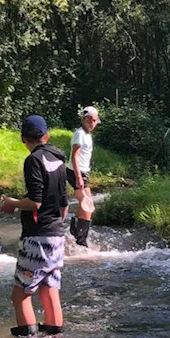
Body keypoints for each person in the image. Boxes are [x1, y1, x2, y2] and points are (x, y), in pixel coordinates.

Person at [0, 115, 68, 337]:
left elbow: (35, 202)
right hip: (57, 235)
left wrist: (13, 204)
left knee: (21, 295)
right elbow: (64, 204)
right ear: (46, 136)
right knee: (50, 292)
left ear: (23, 139)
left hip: (37, 237)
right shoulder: (58, 159)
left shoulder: (33, 160)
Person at [67, 106, 99, 247]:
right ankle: (80, 240)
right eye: (89, 120)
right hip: (76, 172)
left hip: (83, 172)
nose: (92, 123)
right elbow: (74, 156)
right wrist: (78, 177)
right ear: (84, 119)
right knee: (88, 206)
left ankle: (75, 230)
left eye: (94, 120)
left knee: (87, 205)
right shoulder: (79, 134)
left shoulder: (88, 135)